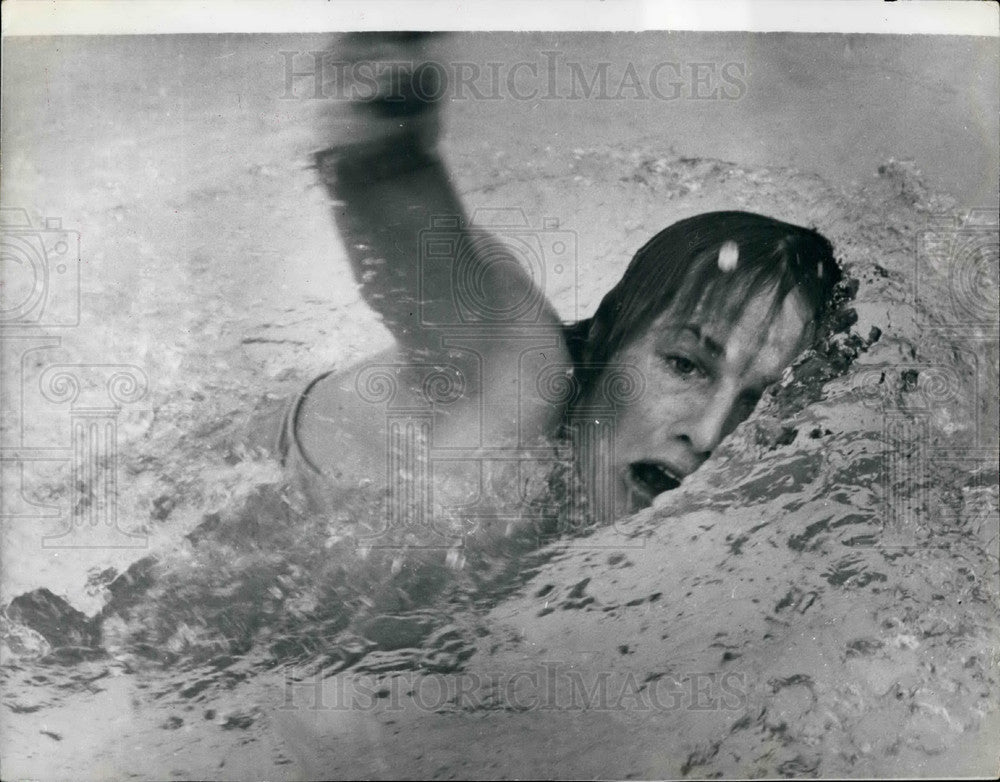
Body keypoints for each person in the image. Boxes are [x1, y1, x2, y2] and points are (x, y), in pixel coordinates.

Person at [277, 34, 842, 545]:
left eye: (758, 400)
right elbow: (381, 171)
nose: (709, 434)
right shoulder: (515, 379)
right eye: (685, 365)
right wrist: (387, 85)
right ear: (604, 338)